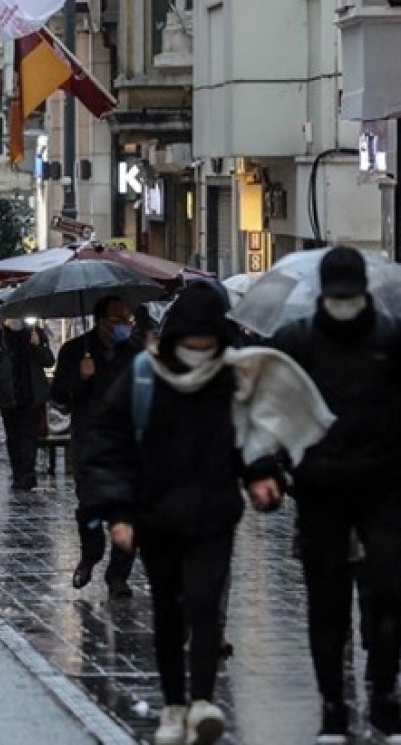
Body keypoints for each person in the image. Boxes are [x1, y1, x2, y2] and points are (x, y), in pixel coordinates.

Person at [79, 282, 332, 745]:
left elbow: (247, 438)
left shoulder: (231, 377)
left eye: (208, 344)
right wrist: (118, 513)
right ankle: (174, 706)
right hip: (156, 515)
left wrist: (261, 476)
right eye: (193, 344)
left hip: (214, 514)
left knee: (204, 606)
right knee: (169, 613)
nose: (200, 353)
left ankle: (202, 702)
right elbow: (109, 446)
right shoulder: (144, 377)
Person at [268, 246, 401, 743]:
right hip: (321, 488)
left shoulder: (391, 339)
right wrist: (271, 467)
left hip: (383, 486)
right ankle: (331, 706)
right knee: (326, 600)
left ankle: (383, 692)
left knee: (388, 591)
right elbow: (270, 409)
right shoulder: (296, 343)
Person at [51, 296, 139, 598]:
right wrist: (80, 377)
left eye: (127, 320)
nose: (124, 326)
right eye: (117, 320)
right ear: (100, 321)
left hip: (127, 445)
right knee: (90, 507)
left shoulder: (135, 352)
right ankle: (90, 556)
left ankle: (118, 576)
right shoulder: (75, 350)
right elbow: (59, 395)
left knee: (127, 513)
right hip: (90, 444)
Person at [0, 317, 55, 490]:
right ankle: (18, 474)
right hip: (9, 395)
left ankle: (28, 474)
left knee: (29, 436)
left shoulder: (35, 333)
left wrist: (37, 345)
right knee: (13, 437)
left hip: (31, 395)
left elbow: (49, 360)